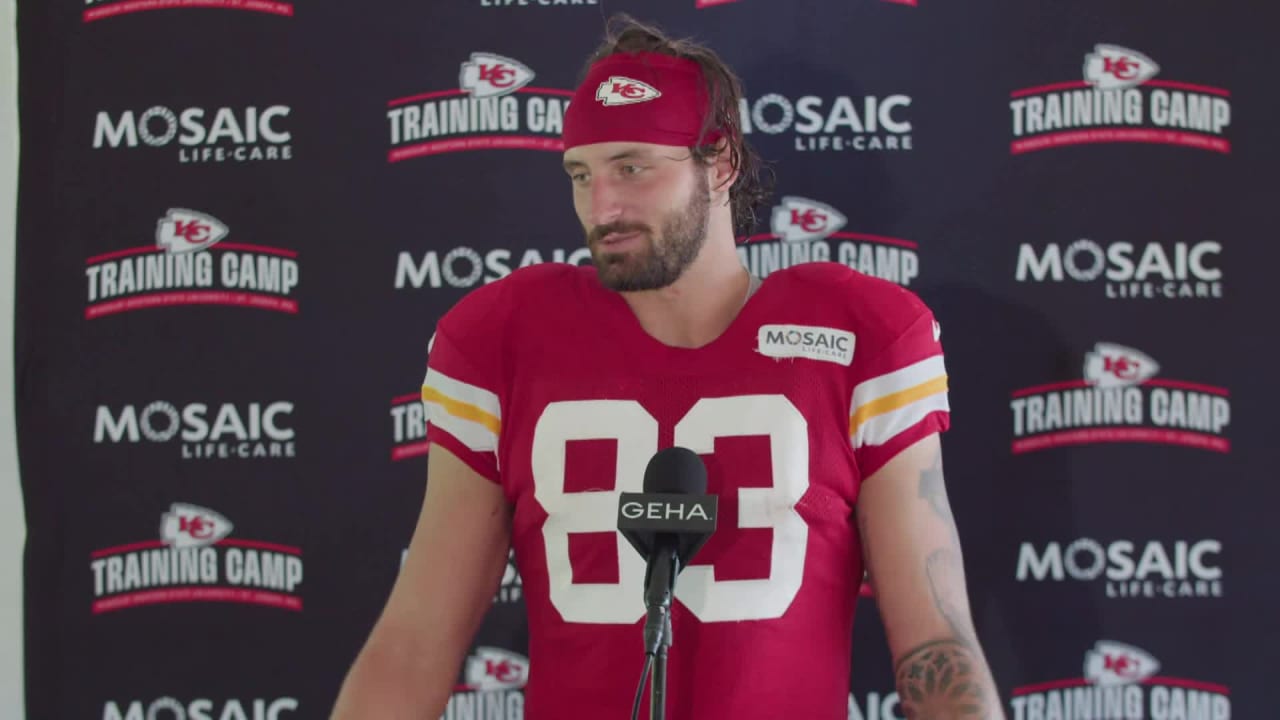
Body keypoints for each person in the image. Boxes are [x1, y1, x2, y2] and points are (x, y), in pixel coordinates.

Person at [332, 15, 1004, 720]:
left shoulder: (860, 336)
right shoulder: (502, 340)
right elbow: (414, 644)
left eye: (632, 167)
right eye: (580, 174)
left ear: (720, 164)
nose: (602, 206)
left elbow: (936, 641)